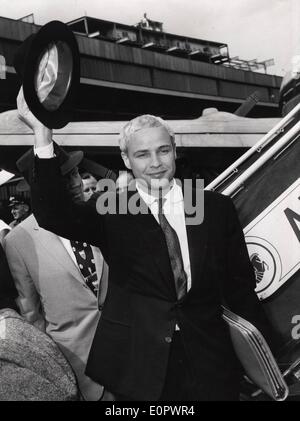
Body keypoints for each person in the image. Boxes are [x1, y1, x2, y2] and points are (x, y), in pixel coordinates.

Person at [18, 89, 275, 401]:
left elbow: (240, 287)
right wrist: (42, 134)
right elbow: (54, 214)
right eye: (142, 154)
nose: (155, 163)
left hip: (212, 361)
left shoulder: (214, 207)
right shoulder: (112, 207)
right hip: (142, 366)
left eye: (163, 151)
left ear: (174, 151)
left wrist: (266, 359)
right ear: (126, 159)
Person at [4, 147, 108, 401]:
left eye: (75, 174)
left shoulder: (103, 213)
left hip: (134, 355)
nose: (75, 183)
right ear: (40, 187)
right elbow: (31, 313)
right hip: (78, 369)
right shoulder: (18, 240)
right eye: (63, 178)